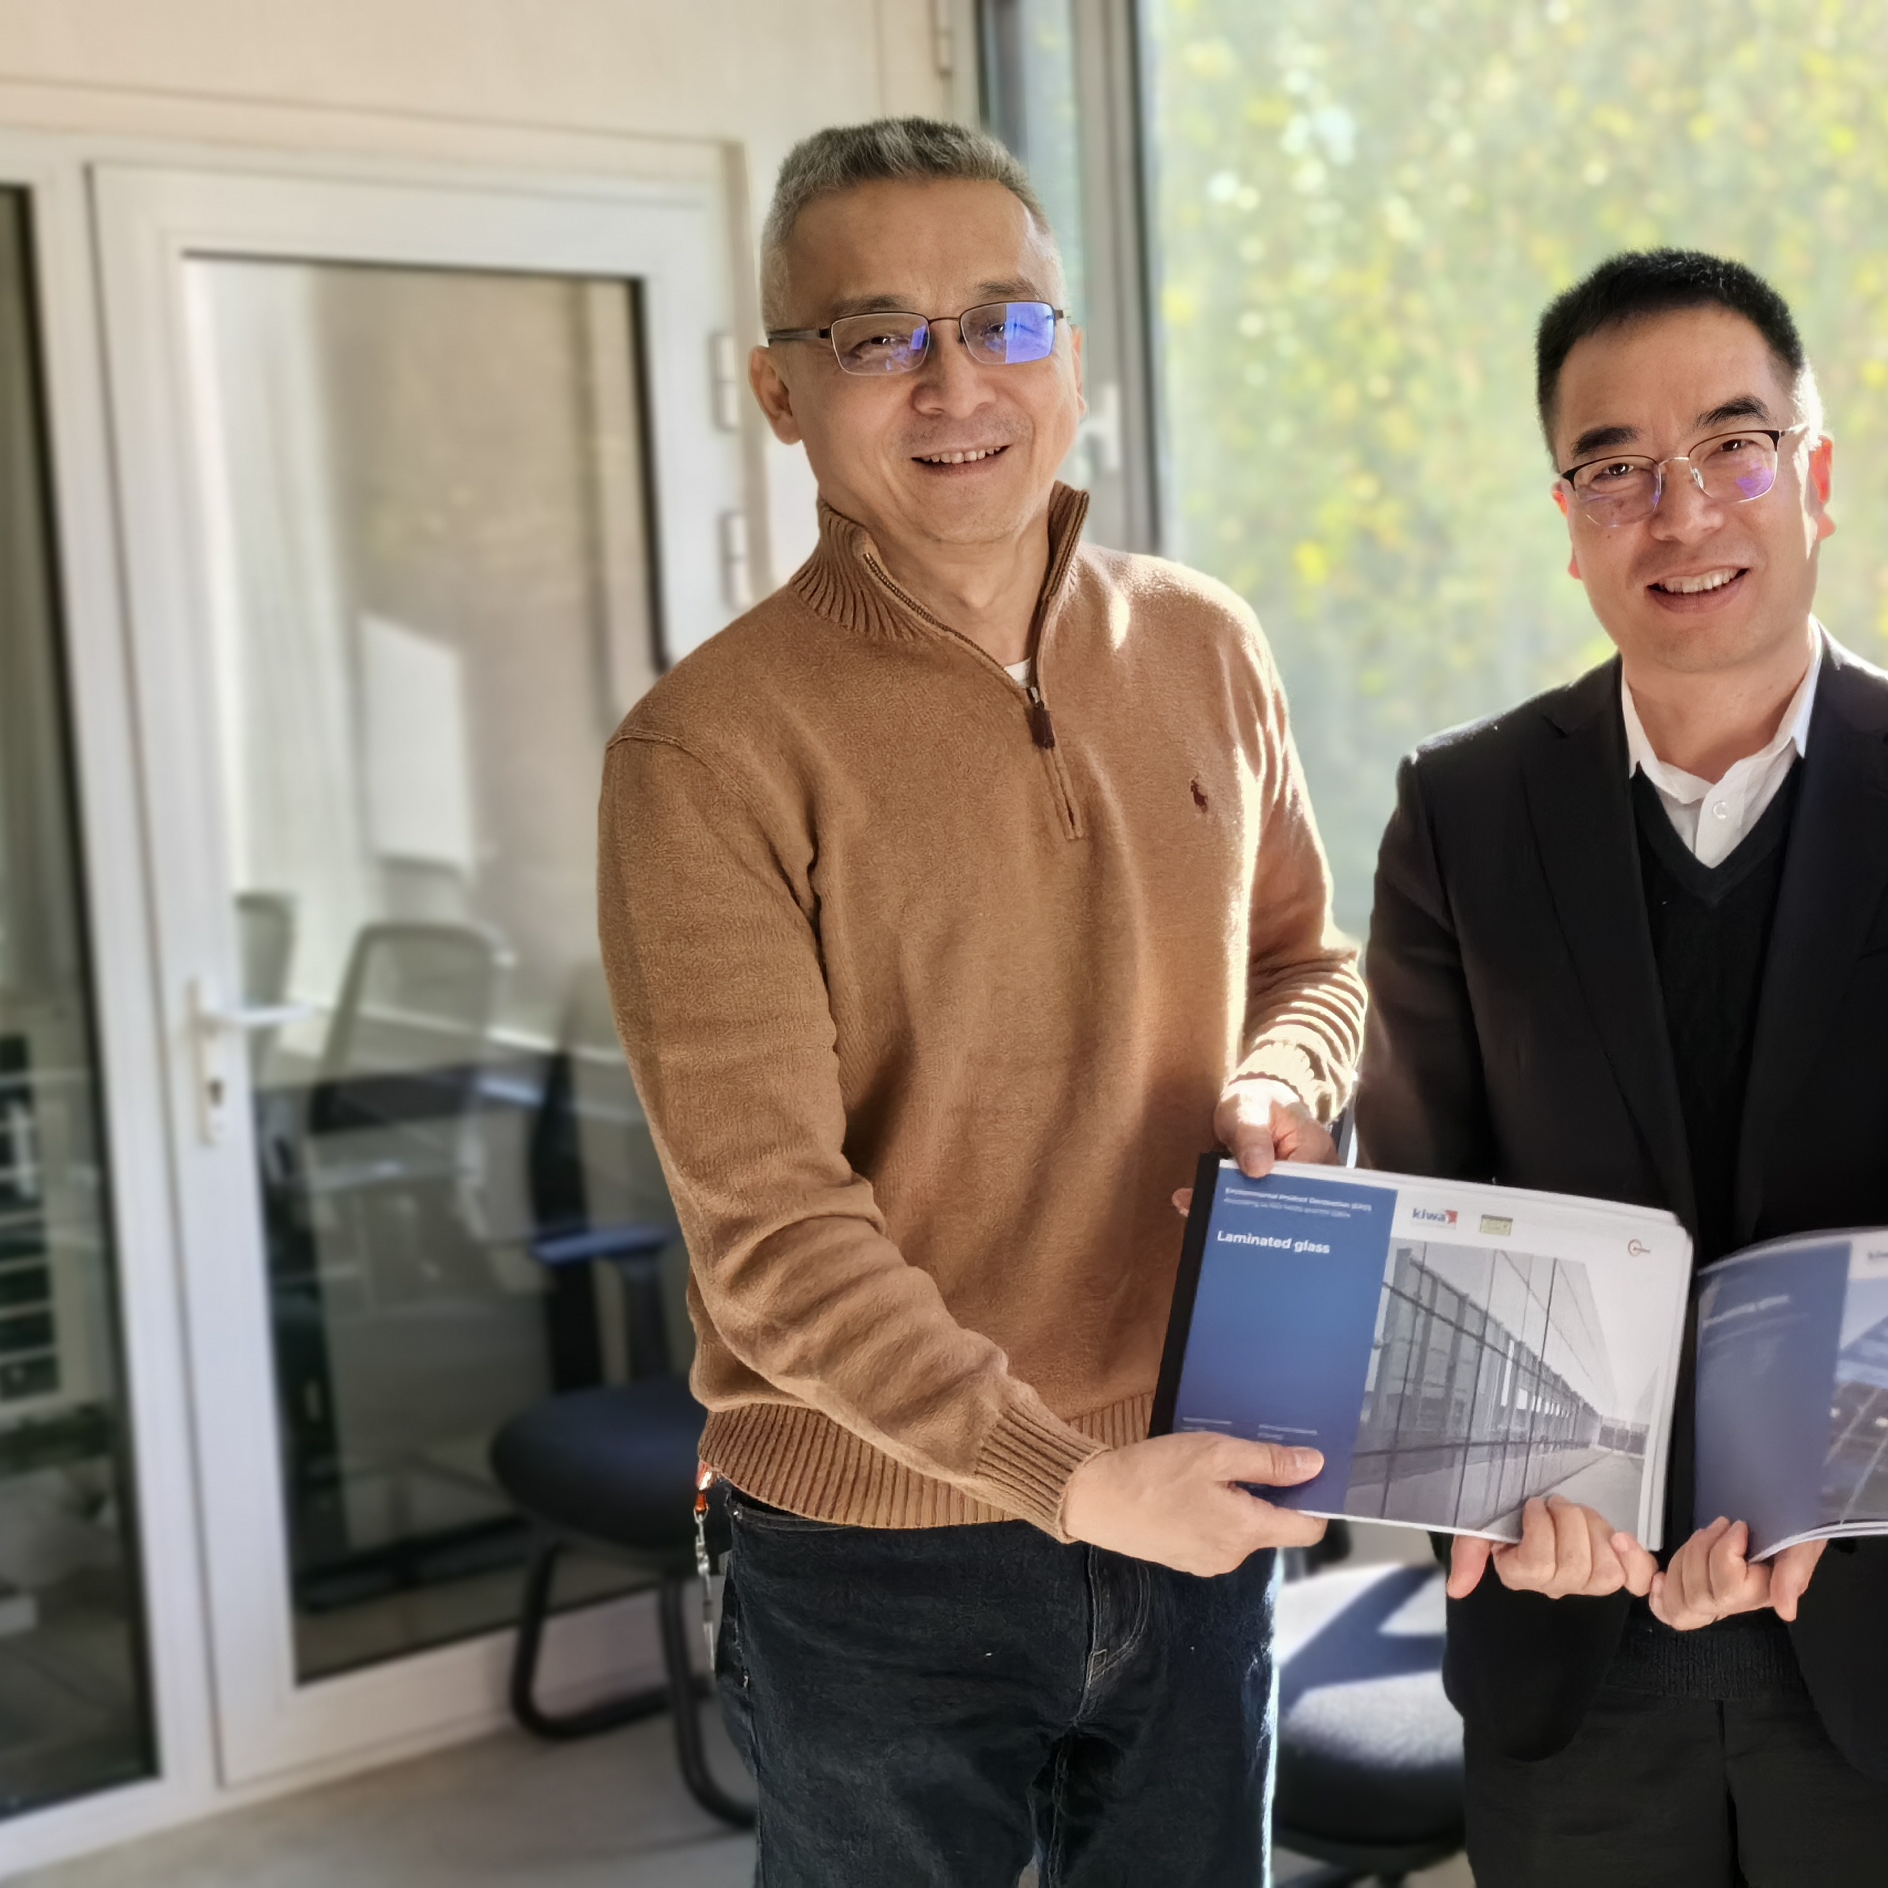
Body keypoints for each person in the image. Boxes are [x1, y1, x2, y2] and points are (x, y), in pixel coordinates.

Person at [595, 118, 1361, 1885]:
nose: (957, 383)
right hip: (879, 1563)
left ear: (1068, 355)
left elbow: (1310, 961)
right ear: (782, 393)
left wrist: (1280, 1075)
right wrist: (1065, 1478)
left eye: (1006, 321)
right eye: (879, 336)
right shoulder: (705, 754)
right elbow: (774, 1239)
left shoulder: (1206, 644)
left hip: (1193, 1473)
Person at [1356, 249, 1888, 1888]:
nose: (1681, 512)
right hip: (1573, 1639)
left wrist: (1844, 1491)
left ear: (1815, 479)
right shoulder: (1460, 814)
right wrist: (1500, 1502)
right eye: (1616, 469)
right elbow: (1425, 1210)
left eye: (1732, 447)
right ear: (1569, 522)